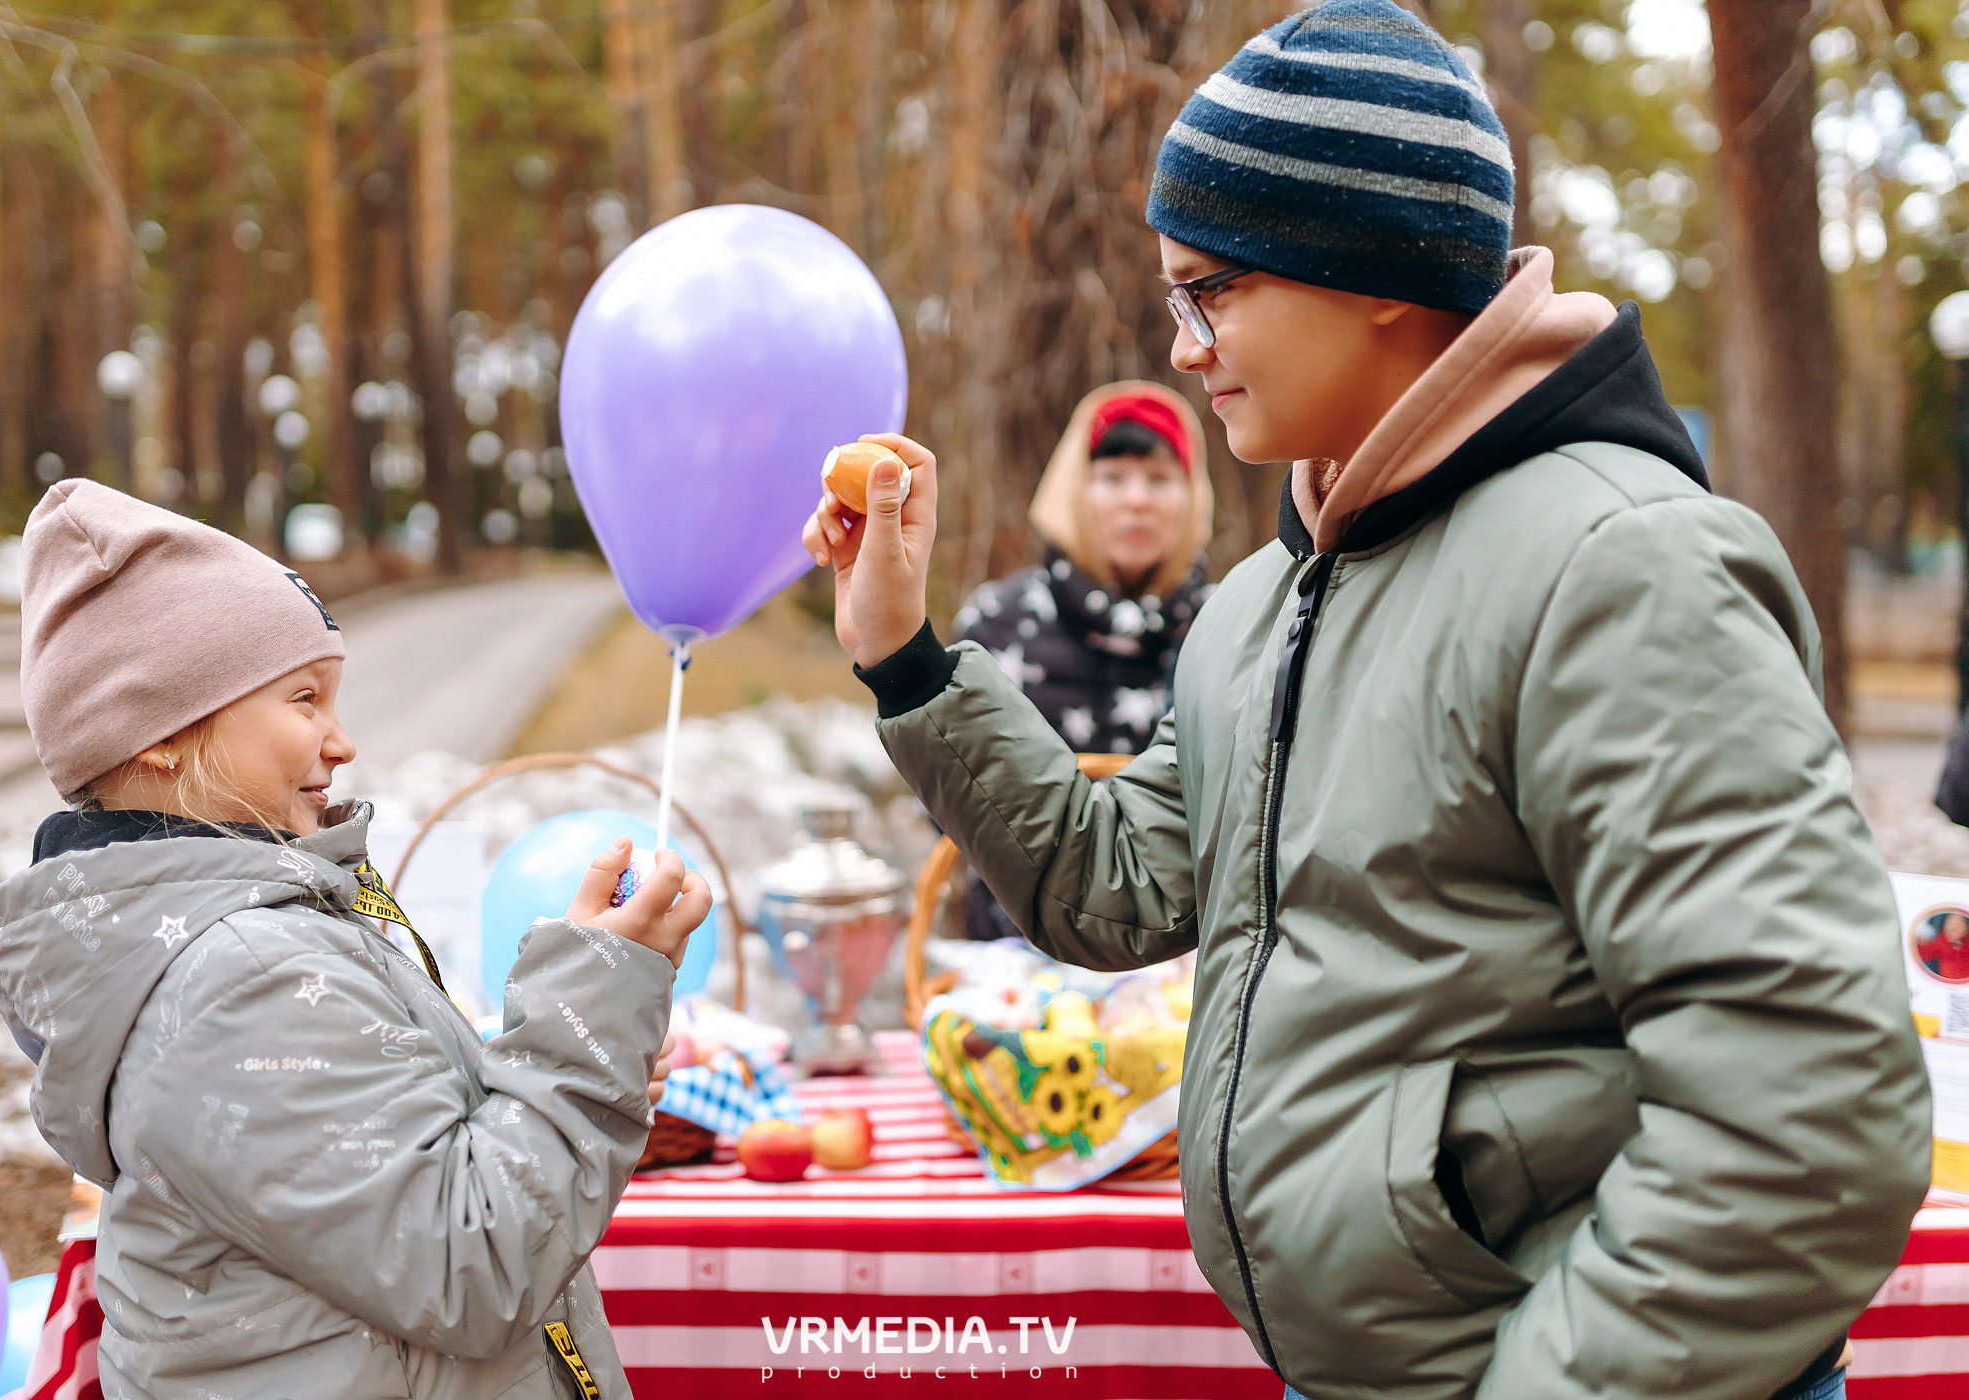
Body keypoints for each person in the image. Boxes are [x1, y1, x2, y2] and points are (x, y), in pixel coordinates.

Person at [803, 5, 1930, 1399]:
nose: (1183, 348)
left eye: (1210, 292)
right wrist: (906, 654)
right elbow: (1122, 885)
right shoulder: (1267, 603)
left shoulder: (1622, 565)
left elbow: (1806, 1116)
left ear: (1373, 270)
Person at [0, 480, 704, 1399]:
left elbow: (385, 1157)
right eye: (304, 698)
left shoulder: (246, 939)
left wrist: (574, 1058)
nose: (342, 741)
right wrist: (585, 1027)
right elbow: (471, 1260)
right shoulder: (237, 977)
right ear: (161, 732)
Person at [953, 381, 1212, 939]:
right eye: (1112, 477)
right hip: (1016, 945)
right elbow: (951, 788)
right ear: (1073, 489)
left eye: (1160, 479)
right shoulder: (998, 620)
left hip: (1182, 949)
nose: (1137, 500)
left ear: (1192, 496)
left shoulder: (1225, 625)